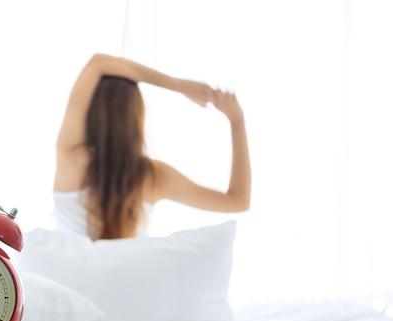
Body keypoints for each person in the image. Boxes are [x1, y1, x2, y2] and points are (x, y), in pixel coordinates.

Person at [53, 53, 251, 240]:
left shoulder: (70, 158)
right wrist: (237, 122)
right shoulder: (153, 177)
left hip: (66, 277)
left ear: (91, 113)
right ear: (137, 116)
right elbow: (237, 201)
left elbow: (97, 64)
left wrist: (179, 85)